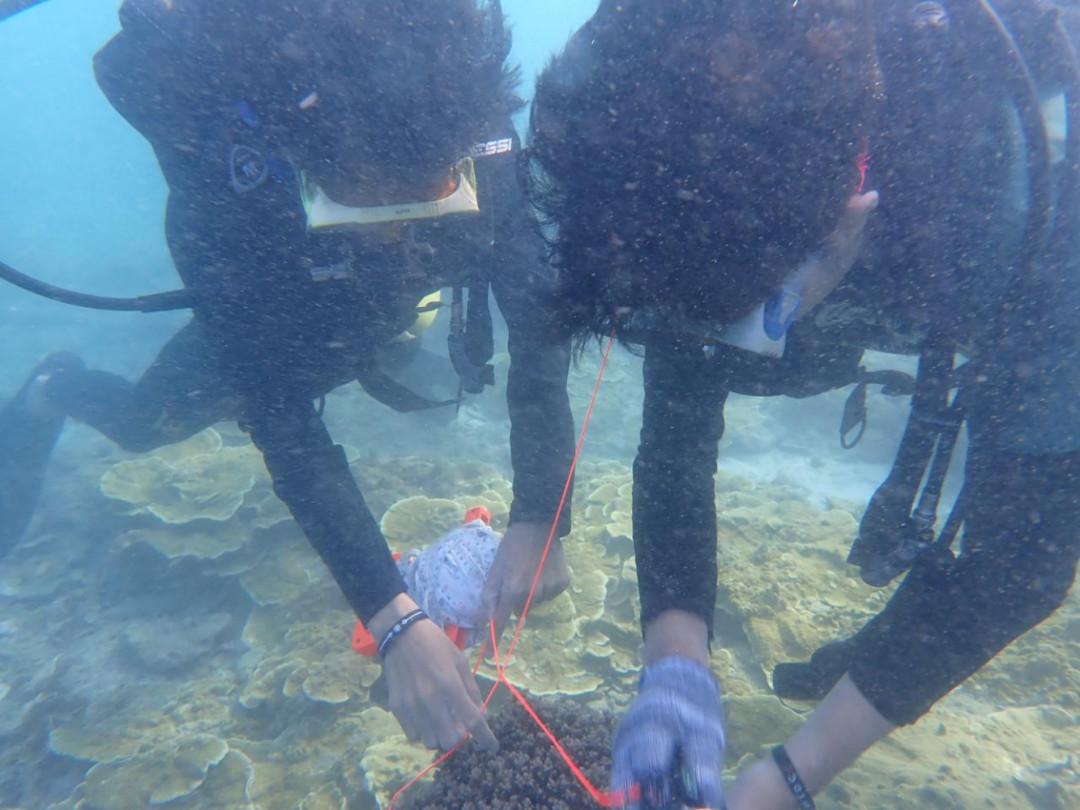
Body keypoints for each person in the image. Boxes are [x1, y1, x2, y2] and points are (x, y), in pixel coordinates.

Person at [525, 0, 1080, 807]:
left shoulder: (1030, 232)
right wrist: (676, 665)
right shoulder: (658, 154)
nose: (719, 353)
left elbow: (1022, 564)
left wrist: (795, 773)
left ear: (847, 220)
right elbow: (677, 437)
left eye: (755, 317)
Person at [0, 0, 575, 753]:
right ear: (307, 159)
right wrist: (393, 617)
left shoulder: (477, 129)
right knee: (149, 423)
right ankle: (55, 386)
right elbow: (278, 411)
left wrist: (542, 513)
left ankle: (399, 311)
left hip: (387, 305)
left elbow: (539, 329)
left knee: (409, 305)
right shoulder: (227, 178)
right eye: (375, 200)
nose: (402, 227)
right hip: (286, 307)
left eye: (427, 192)